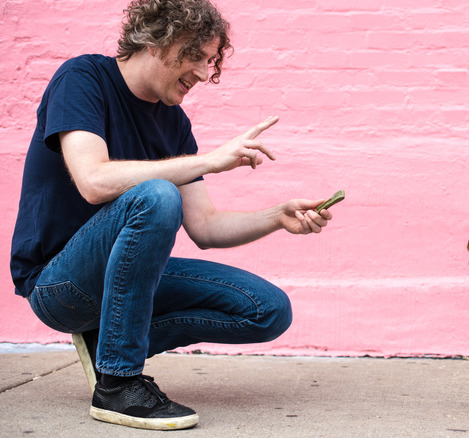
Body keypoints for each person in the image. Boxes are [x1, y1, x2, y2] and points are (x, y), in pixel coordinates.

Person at [10, 0, 333, 430]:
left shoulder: (174, 122)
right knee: (158, 196)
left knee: (268, 309)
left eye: (210, 60)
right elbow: (93, 180)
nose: (203, 73)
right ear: (157, 41)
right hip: (60, 284)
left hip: (121, 281)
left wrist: (277, 216)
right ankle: (118, 383)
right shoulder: (82, 78)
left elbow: (205, 227)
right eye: (195, 56)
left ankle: (107, 343)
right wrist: (210, 161)